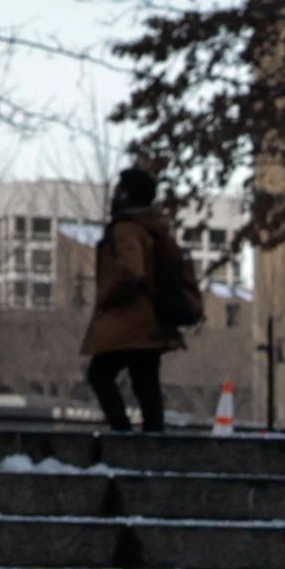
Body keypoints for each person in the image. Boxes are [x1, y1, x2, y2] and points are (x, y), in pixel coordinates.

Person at [85, 164, 198, 432]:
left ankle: (122, 434)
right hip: (155, 319)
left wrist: (107, 298)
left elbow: (130, 270)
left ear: (126, 196)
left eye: (119, 190)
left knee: (99, 374)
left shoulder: (126, 229)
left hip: (130, 318)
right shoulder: (156, 228)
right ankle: (153, 440)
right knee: (146, 380)